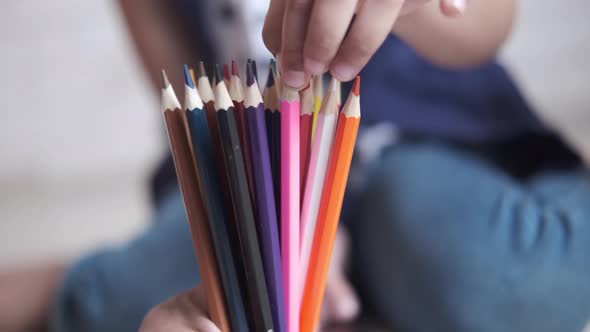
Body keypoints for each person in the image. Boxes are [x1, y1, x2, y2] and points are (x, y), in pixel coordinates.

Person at [2, 0, 589, 331]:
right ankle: (82, 280)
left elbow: (490, 23)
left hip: (434, 152)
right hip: (254, 182)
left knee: (506, 279)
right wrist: (278, 221)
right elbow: (189, 111)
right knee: (127, 300)